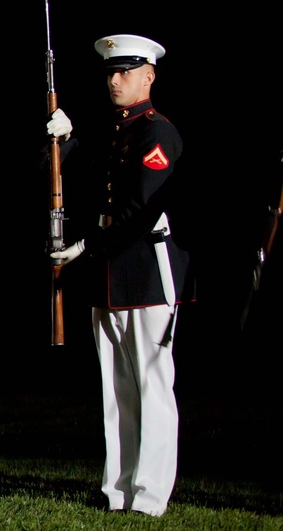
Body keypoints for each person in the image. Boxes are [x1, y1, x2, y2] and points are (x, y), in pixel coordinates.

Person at [48, 34, 196, 517]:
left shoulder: (158, 133)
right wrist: (66, 140)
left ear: (149, 76)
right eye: (111, 72)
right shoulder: (117, 131)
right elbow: (87, 175)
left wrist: (89, 245)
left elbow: (140, 209)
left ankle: (150, 495)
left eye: (125, 72)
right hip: (112, 273)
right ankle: (118, 489)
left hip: (146, 271)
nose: (115, 80)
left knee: (151, 387)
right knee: (117, 388)